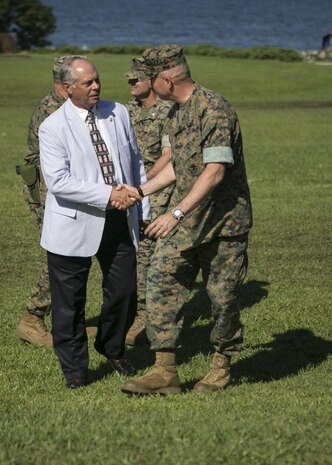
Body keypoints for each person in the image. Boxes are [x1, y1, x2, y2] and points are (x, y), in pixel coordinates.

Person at [120, 45, 253, 395]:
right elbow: (181, 165)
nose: (147, 84)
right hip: (188, 221)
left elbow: (214, 171)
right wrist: (140, 190)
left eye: (151, 79)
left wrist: (174, 212)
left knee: (223, 299)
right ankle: (165, 372)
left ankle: (221, 367)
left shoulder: (214, 109)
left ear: (166, 79)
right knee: (161, 278)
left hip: (223, 225)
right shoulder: (177, 112)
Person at [38, 57, 150, 388]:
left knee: (125, 292)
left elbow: (134, 161)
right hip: (72, 225)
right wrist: (106, 195)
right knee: (69, 304)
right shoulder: (52, 127)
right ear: (65, 88)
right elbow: (58, 181)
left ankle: (111, 347)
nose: (96, 86)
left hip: (119, 220)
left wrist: (144, 209)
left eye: (97, 80)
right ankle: (75, 370)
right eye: (87, 83)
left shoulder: (119, 112)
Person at [15, 55, 94, 347]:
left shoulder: (68, 105)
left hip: (60, 188)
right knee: (62, 256)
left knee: (75, 254)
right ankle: (31, 318)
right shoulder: (54, 109)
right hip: (48, 190)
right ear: (64, 83)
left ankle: (71, 322)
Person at [123, 57, 173, 345]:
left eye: (136, 80)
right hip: (131, 191)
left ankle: (144, 314)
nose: (131, 84)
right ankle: (134, 310)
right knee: (132, 250)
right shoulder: (125, 111)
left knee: (148, 251)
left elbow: (168, 156)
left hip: (157, 190)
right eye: (129, 80)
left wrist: (142, 186)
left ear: (151, 82)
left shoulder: (167, 111)